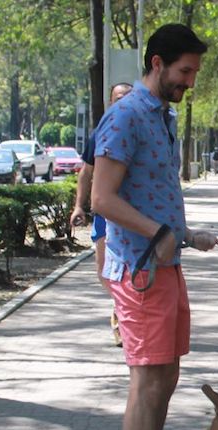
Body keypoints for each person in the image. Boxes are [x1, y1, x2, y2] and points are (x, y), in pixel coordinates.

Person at [92, 23, 217, 430]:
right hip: (140, 271)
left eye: (193, 73)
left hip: (166, 264)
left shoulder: (161, 117)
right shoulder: (125, 116)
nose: (189, 82)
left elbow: (150, 194)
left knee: (166, 378)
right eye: (184, 71)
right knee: (147, 382)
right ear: (157, 62)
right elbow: (102, 199)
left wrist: (186, 234)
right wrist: (161, 232)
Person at [70, 82, 134, 346]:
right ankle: (121, 308)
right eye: (118, 98)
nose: (122, 103)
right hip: (104, 214)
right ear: (110, 102)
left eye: (127, 98)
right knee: (104, 272)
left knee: (129, 272)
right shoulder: (101, 132)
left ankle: (123, 320)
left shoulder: (141, 131)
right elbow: (86, 172)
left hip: (132, 214)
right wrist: (78, 206)